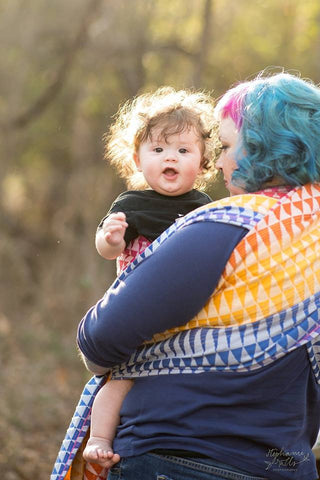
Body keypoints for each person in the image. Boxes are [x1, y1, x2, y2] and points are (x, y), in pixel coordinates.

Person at [75, 71, 320, 480]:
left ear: (263, 148)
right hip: (283, 463)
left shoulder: (226, 225)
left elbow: (101, 340)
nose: (219, 161)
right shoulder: (309, 231)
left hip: (181, 455)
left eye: (225, 146)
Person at [83, 87, 217, 468]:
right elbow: (107, 249)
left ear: (203, 161)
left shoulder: (204, 207)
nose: (169, 157)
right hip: (139, 309)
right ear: (138, 159)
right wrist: (109, 239)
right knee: (121, 379)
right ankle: (98, 439)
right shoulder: (131, 204)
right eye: (158, 150)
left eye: (182, 150)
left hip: (188, 315)